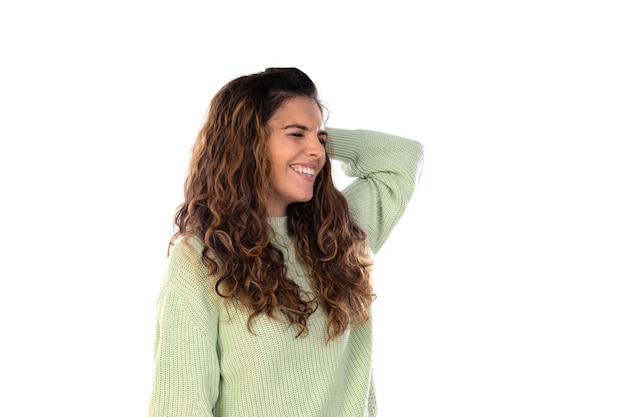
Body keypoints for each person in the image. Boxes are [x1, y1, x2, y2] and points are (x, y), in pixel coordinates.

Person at [148, 67, 424, 417]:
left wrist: (311, 140)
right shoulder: (202, 257)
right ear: (247, 142)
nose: (318, 152)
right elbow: (180, 406)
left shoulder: (339, 234)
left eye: (320, 140)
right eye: (296, 133)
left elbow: (403, 158)